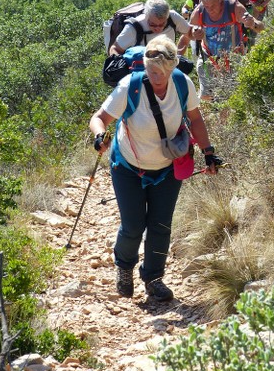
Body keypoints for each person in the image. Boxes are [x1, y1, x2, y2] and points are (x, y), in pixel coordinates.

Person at [89, 35, 220, 302]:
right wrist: (99, 136)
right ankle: (124, 268)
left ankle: (154, 278)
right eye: (150, 71)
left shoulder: (183, 84)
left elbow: (195, 119)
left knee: (161, 225)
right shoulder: (130, 86)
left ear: (171, 68)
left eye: (159, 72)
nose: (154, 76)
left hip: (167, 168)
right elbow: (99, 118)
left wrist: (209, 153)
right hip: (128, 167)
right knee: (133, 225)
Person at [177, 0, 265, 101]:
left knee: (234, 97)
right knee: (205, 96)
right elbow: (186, 37)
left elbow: (260, 27)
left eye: (212, 5)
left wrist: (252, 23)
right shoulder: (199, 12)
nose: (209, 10)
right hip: (209, 58)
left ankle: (227, 117)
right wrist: (175, 61)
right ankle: (210, 116)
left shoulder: (234, 7)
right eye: (206, 6)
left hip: (234, 57)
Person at [109, 0, 193, 56]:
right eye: (152, 24)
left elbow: (189, 33)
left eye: (162, 24)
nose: (158, 29)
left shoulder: (173, 17)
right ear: (146, 16)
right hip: (140, 72)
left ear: (167, 17)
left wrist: (197, 32)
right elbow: (115, 48)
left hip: (167, 68)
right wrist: (121, 67)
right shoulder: (134, 27)